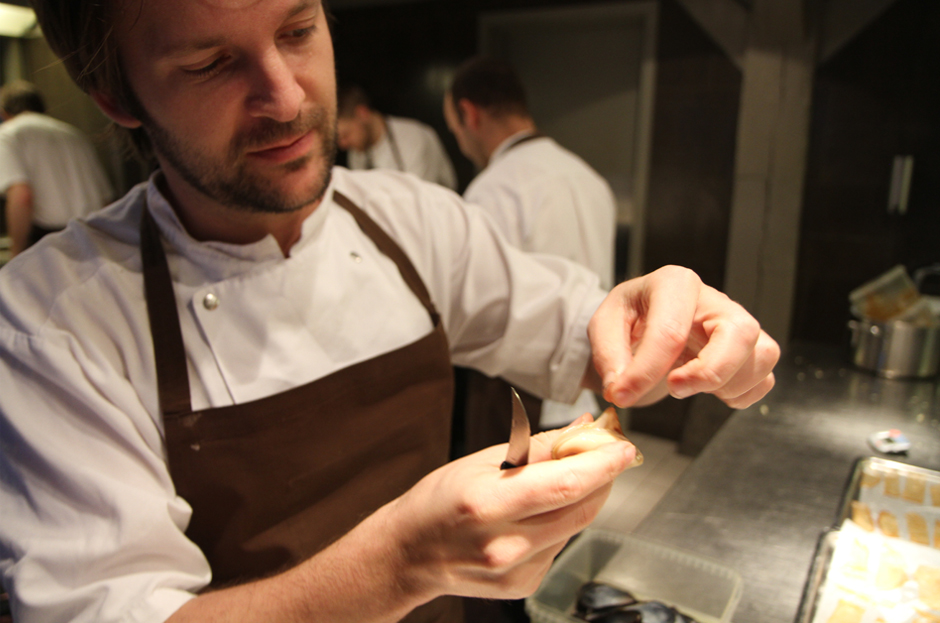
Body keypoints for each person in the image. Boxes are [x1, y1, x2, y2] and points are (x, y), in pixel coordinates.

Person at [0, 2, 779, 623]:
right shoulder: (51, 320)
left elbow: (581, 326)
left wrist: (672, 322)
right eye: (210, 63)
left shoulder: (415, 222)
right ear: (115, 94)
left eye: (298, 30)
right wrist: (400, 564)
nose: (286, 96)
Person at [443, 57, 616, 452]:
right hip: (586, 385)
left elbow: (480, 307)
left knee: (506, 512)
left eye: (455, 130)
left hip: (519, 400)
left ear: (469, 115)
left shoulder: (494, 188)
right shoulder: (589, 177)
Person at [0, 80, 114, 257]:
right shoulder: (73, 133)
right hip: (95, 237)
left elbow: (21, 196)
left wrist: (16, 254)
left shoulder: (8, 134)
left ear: (4, 112)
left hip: (51, 244)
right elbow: (106, 199)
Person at [337, 84, 458, 189]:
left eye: (346, 135)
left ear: (362, 113)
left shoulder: (414, 139)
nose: (343, 144)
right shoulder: (356, 153)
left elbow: (422, 201)